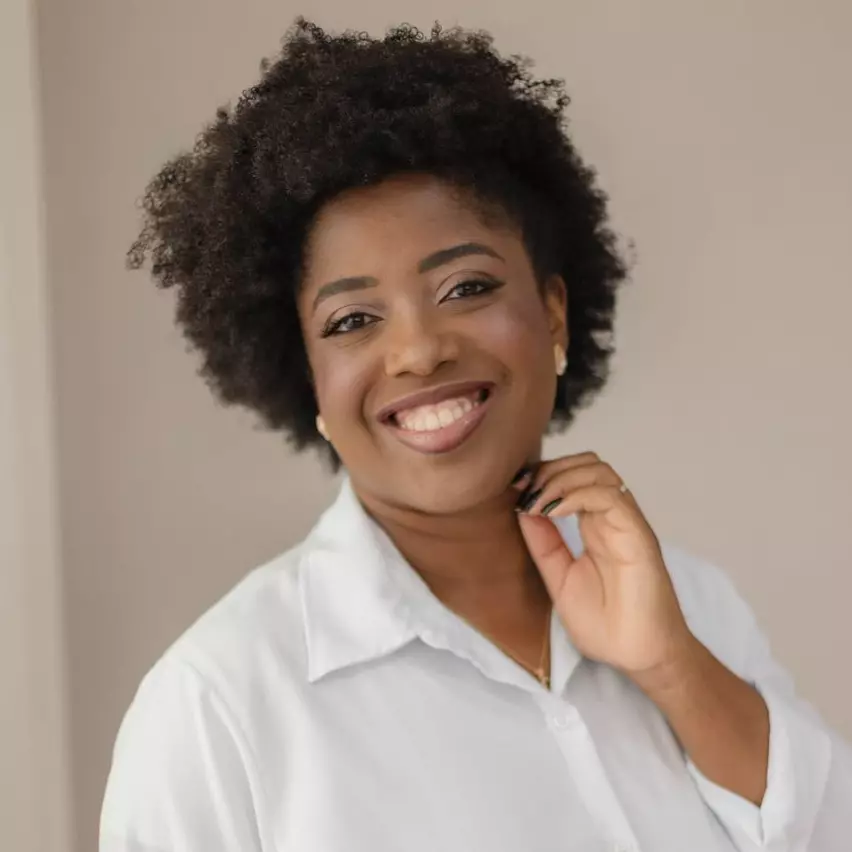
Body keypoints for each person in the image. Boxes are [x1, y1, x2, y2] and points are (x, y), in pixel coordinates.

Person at [100, 18, 851, 852]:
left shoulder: (695, 606)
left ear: (554, 315)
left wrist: (672, 666)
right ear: (307, 378)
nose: (419, 351)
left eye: (465, 287)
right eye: (351, 320)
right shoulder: (218, 707)